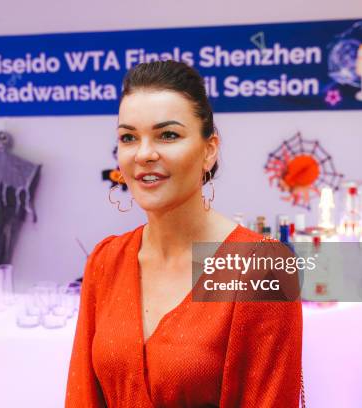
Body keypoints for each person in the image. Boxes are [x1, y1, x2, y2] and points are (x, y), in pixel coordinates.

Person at [66, 60, 303, 407]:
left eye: (168, 135)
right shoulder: (106, 260)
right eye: (129, 137)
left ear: (209, 150)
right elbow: (82, 396)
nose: (144, 154)